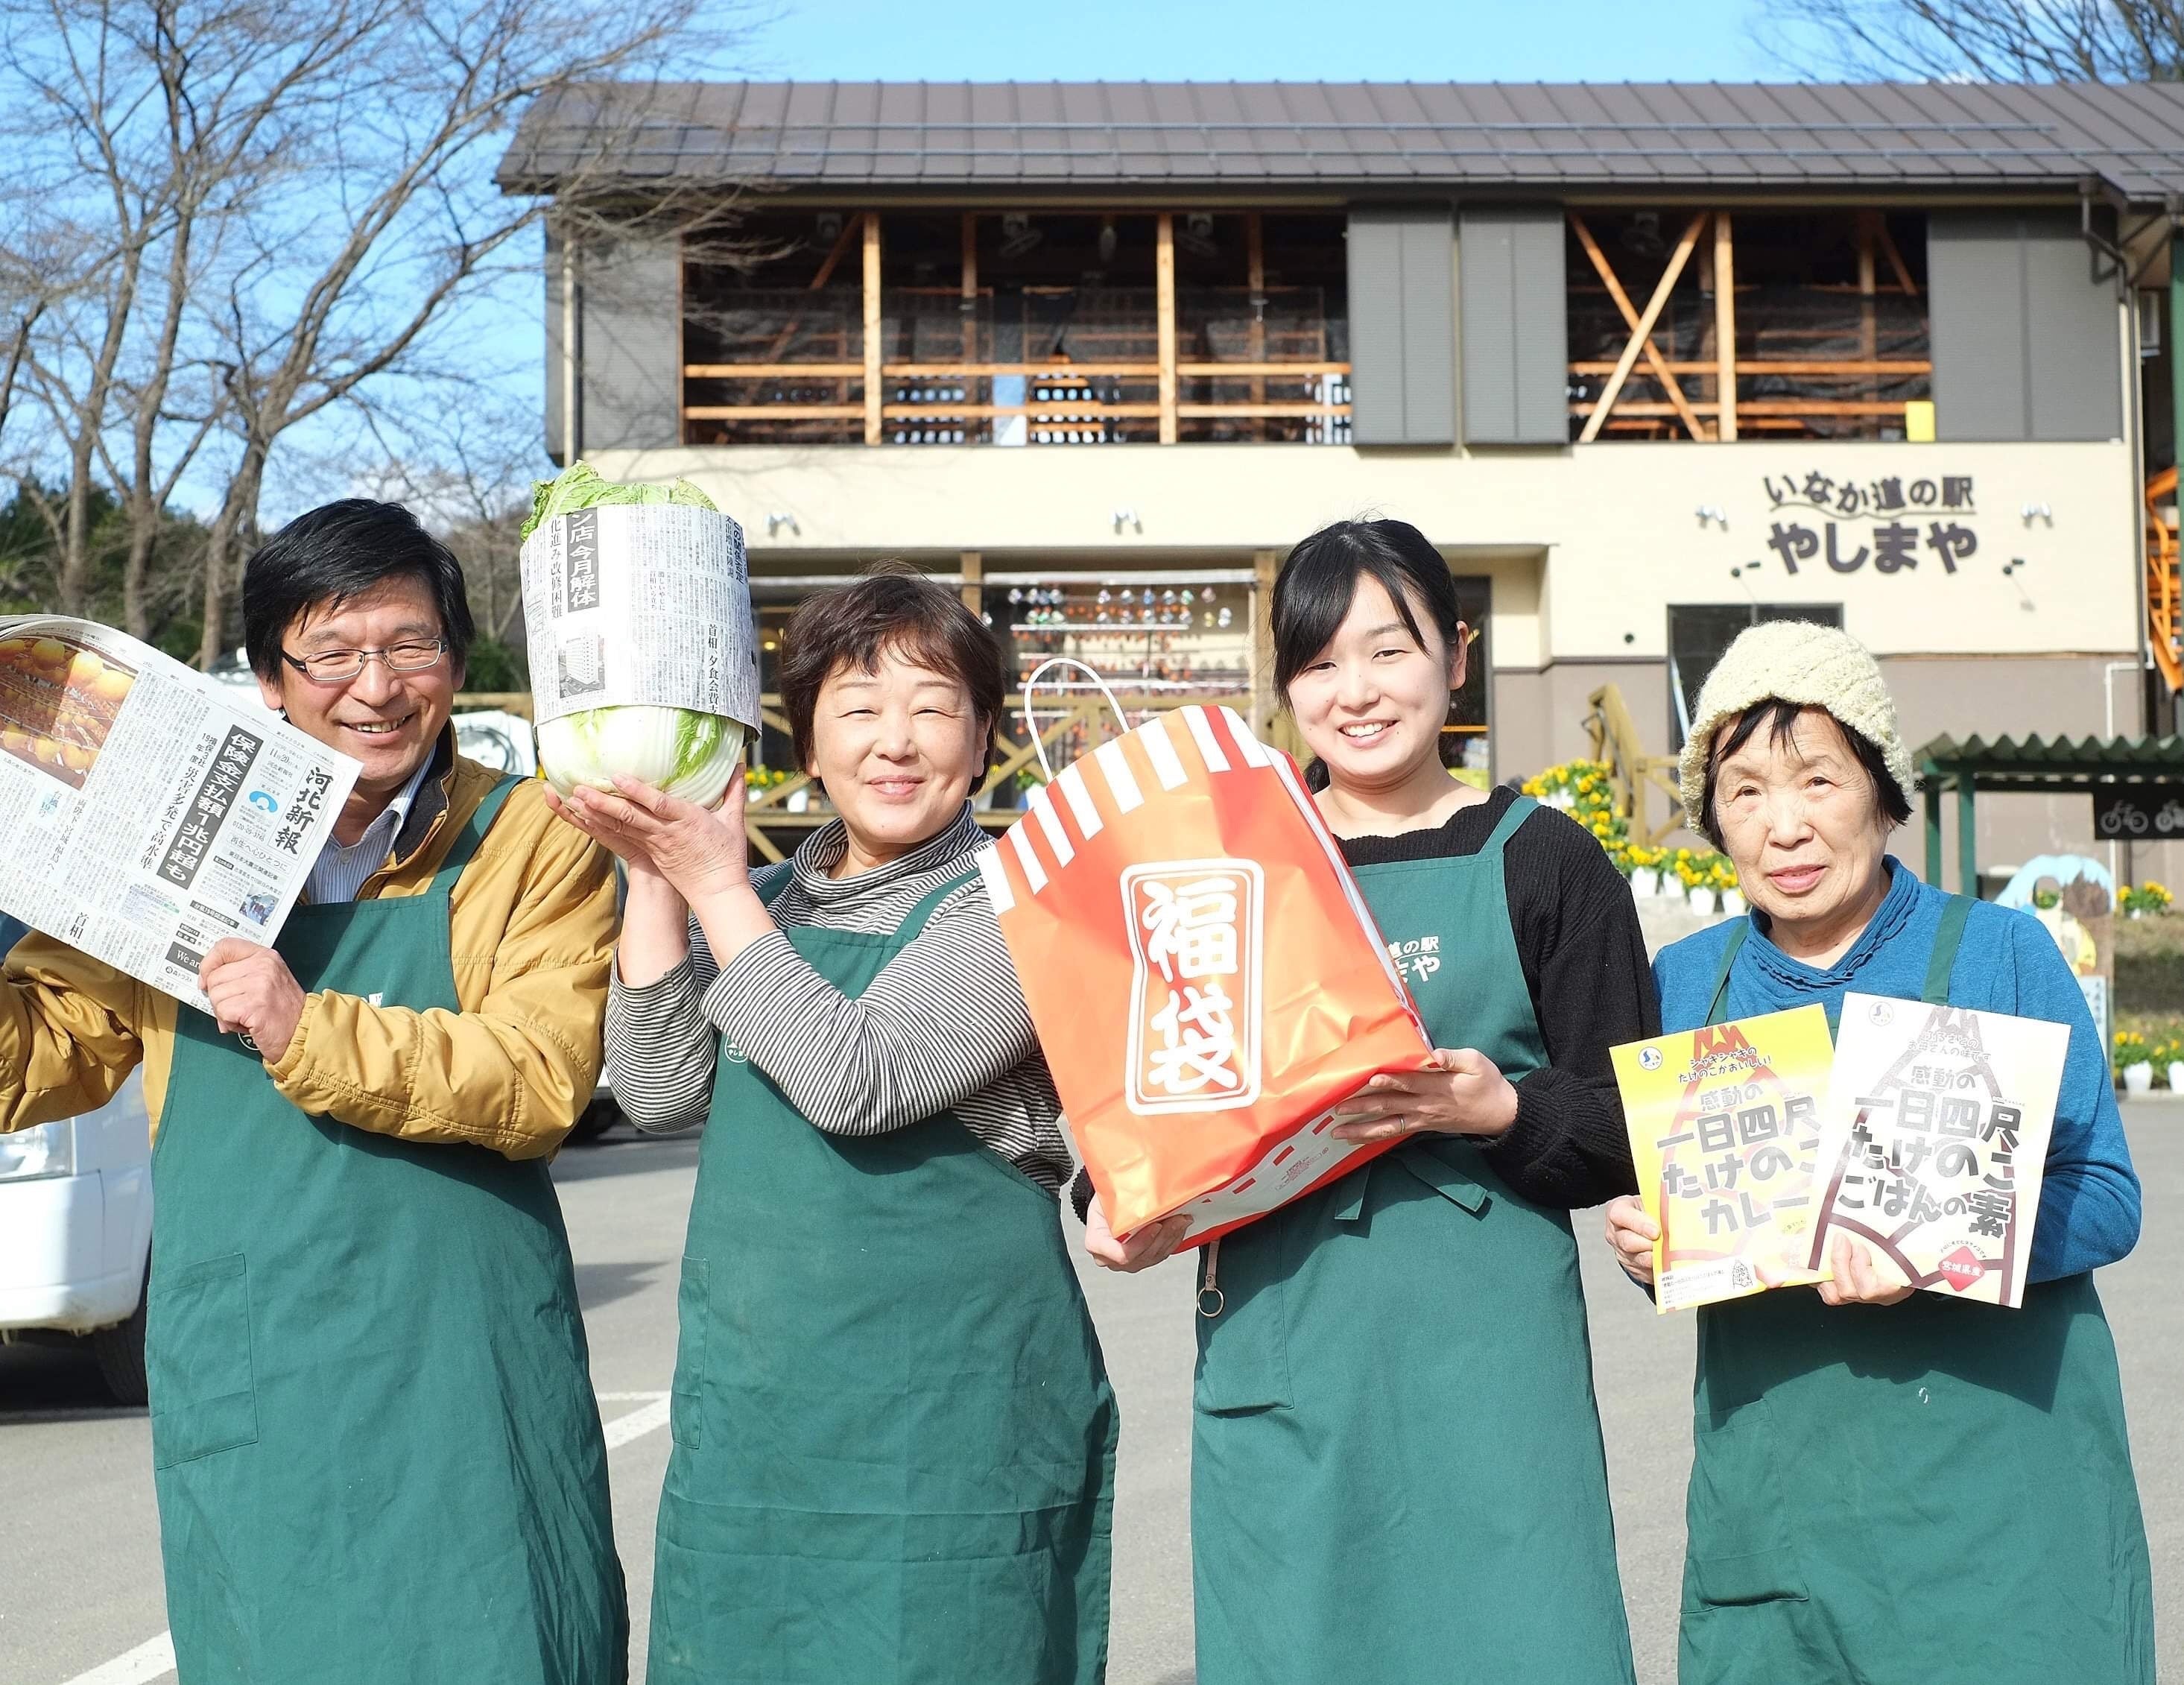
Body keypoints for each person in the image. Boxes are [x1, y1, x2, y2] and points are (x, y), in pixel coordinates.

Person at [0, 500, 628, 1682]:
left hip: (470, 1375)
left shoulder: (529, 836)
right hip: (259, 1380)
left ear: (455, 657)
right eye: (331, 653)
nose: (375, 686)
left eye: (409, 644)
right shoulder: (168, 845)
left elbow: (538, 1077)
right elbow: (37, 1054)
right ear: (269, 681)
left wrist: (307, 1027)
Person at [1092, 518, 1645, 1683]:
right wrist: (1118, 1197)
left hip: (1493, 1366)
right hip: (1284, 1344)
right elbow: (1145, 1086)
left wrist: (1504, 1112)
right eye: (1319, 661)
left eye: (1390, 650)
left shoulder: (1547, 860)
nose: (1356, 691)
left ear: (1457, 653)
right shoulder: (1218, 867)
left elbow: (1636, 1121)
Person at [569, 566, 1115, 1685]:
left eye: (932, 707)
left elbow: (863, 1080)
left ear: (983, 738)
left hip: (955, 1417)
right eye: (858, 709)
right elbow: (660, 1091)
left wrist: (716, 890)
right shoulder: (767, 900)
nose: (895, 742)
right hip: (763, 1419)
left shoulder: (1016, 902)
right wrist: (656, 881)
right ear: (809, 746)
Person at [1604, 620, 2153, 1685]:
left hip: (1995, 1523)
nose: (1786, 827)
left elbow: (2106, 1195)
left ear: (1884, 792)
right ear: (1714, 814)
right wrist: (1650, 1245)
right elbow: (1692, 1219)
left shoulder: (1999, 953)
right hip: (1780, 1516)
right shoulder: (1687, 983)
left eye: (1819, 779)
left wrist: (1939, 1245)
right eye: (1746, 792)